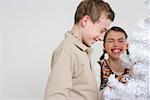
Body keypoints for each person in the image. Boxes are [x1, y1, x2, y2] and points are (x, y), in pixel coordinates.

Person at [44, 0, 115, 100]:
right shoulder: (67, 50)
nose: (101, 38)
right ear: (85, 21)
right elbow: (55, 96)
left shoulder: (81, 51)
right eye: (101, 31)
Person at [93, 26, 132, 100]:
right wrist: (115, 83)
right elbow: (93, 97)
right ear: (104, 46)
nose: (116, 44)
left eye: (120, 41)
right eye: (111, 41)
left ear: (127, 46)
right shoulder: (98, 67)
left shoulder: (134, 67)